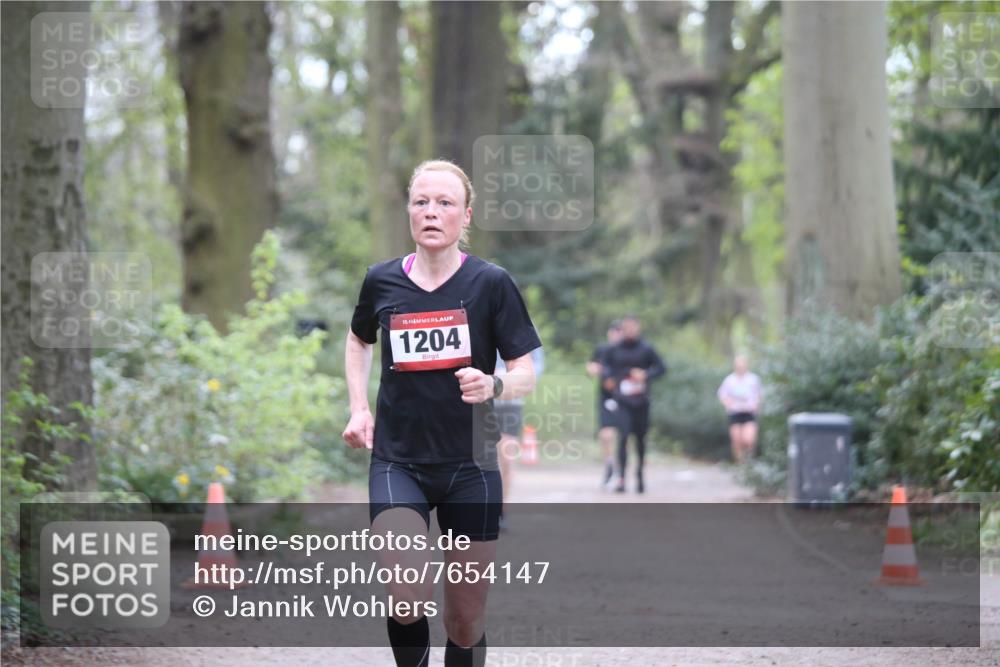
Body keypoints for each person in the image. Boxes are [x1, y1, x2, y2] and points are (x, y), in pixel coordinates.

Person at [342, 159, 542, 667]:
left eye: (445, 203)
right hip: (397, 461)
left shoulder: (492, 283)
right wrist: (359, 407)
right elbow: (358, 338)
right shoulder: (381, 281)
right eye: (421, 202)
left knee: (464, 619)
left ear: (465, 216)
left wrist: (494, 382)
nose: (432, 212)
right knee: (407, 593)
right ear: (409, 212)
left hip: (471, 466)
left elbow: (525, 370)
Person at [600, 315, 666, 494]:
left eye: (633, 327)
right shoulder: (614, 349)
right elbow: (604, 367)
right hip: (622, 401)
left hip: (641, 401)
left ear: (638, 328)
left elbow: (661, 368)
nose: (630, 331)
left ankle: (640, 475)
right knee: (623, 437)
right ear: (622, 329)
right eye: (626, 328)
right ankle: (621, 478)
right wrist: (608, 378)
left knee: (640, 440)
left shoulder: (646, 348)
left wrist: (645, 375)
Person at [493, 346, 545, 530]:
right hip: (480, 402)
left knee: (506, 458)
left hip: (510, 403)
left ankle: (501, 511)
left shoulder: (521, 325)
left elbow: (536, 367)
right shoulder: (472, 319)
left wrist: (509, 379)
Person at [586, 321, 624, 488]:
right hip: (606, 397)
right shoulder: (603, 350)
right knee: (606, 435)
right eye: (614, 331)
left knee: (623, 436)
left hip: (626, 399)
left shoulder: (630, 351)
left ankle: (621, 470)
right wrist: (594, 369)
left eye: (619, 331)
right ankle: (609, 465)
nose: (616, 334)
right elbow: (591, 366)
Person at [717, 354, 762, 464]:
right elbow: (722, 394)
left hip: (749, 413)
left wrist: (756, 405)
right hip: (735, 413)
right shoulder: (729, 380)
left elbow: (759, 394)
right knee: (737, 440)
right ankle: (740, 463)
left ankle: (750, 462)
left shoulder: (753, 379)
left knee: (749, 439)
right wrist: (728, 403)